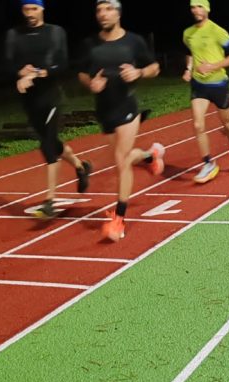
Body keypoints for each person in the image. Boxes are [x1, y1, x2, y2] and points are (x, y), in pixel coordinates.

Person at [77, 0, 164, 242]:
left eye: (108, 9)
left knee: (121, 161)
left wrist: (139, 73)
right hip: (103, 110)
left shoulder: (133, 41)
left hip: (127, 107)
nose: (103, 14)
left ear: (118, 12)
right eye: (99, 9)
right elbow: (82, 73)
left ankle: (119, 219)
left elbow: (154, 67)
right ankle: (149, 156)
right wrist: (90, 84)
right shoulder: (89, 45)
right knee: (124, 158)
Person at [6, 0, 91, 219]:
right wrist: (18, 73)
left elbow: (62, 64)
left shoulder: (55, 32)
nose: (30, 13)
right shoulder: (14, 35)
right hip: (29, 101)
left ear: (42, 9)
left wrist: (38, 73)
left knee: (48, 146)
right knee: (54, 143)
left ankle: (50, 201)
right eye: (26, 9)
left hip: (51, 97)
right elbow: (6, 64)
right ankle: (81, 166)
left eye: (34, 8)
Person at [183, 0, 229, 184]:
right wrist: (188, 68)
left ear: (207, 9)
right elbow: (189, 52)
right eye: (193, 6)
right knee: (197, 125)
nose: (196, 10)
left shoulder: (217, 31)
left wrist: (213, 65)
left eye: (200, 6)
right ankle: (208, 163)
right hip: (199, 85)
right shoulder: (188, 33)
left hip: (219, 85)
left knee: (227, 123)